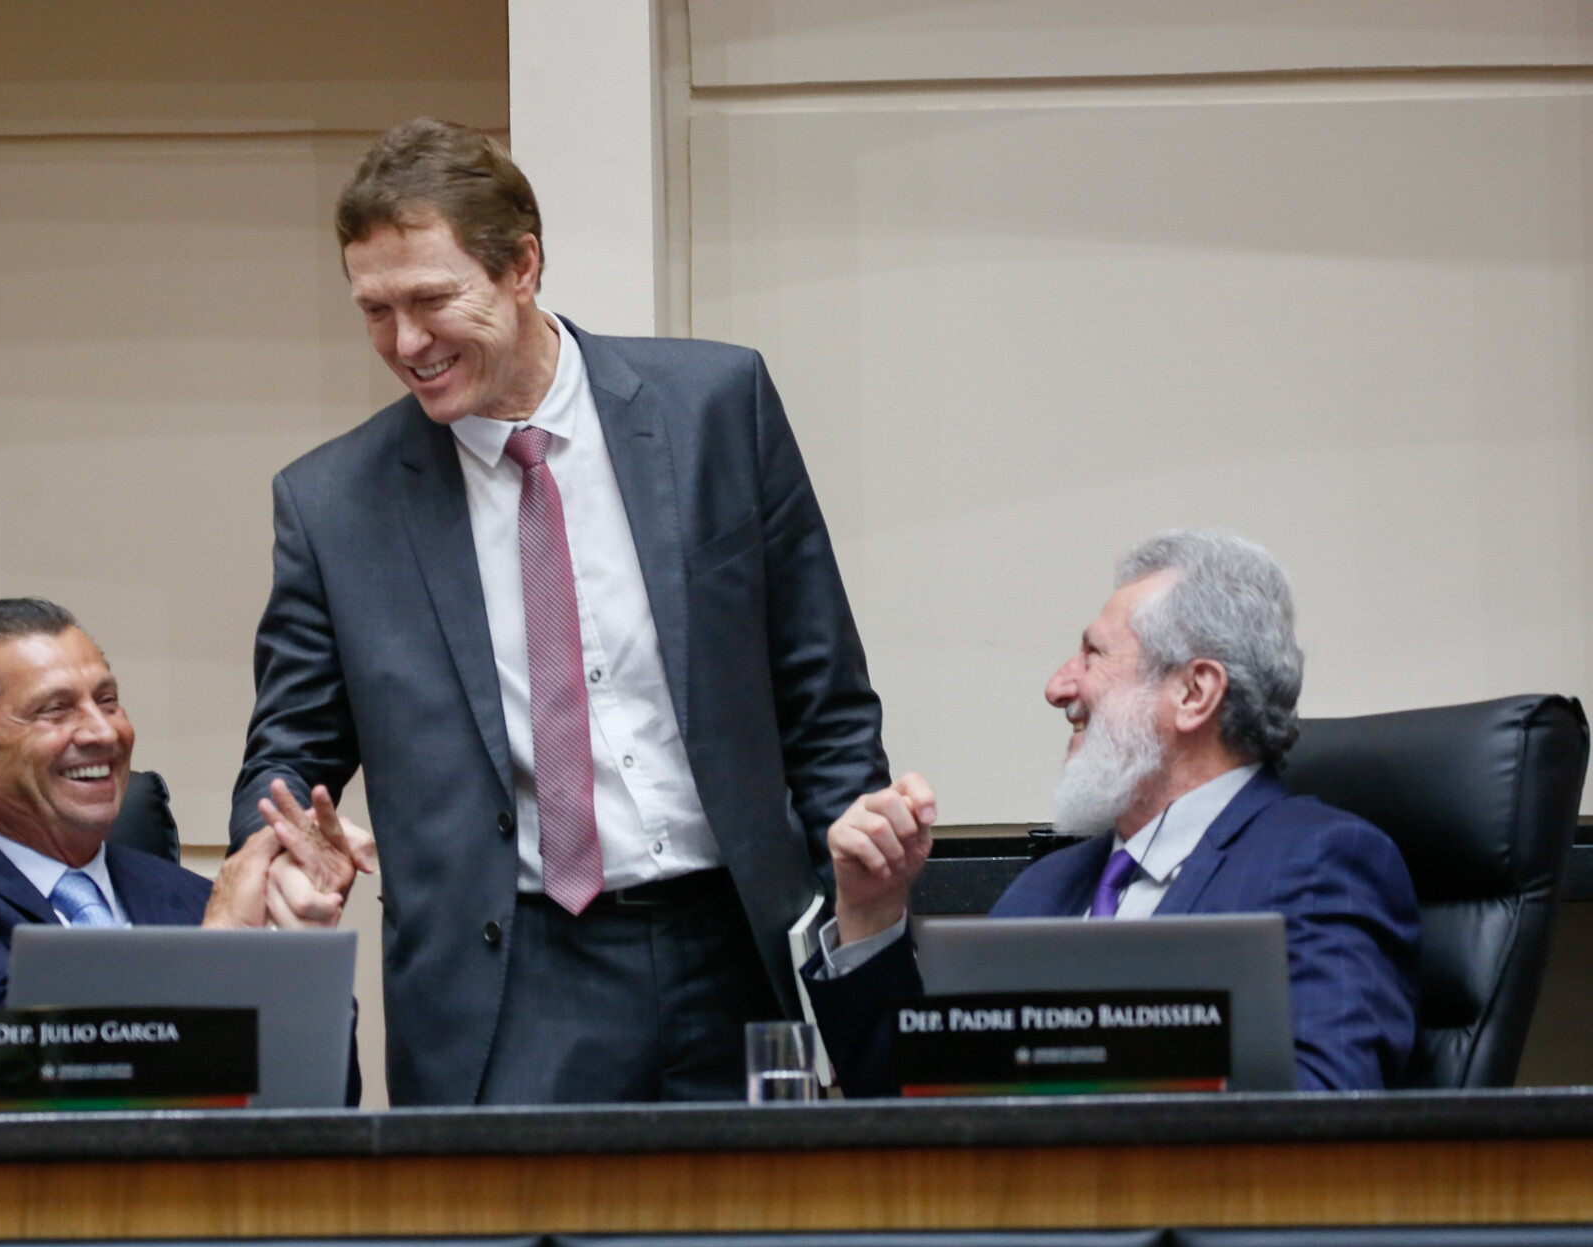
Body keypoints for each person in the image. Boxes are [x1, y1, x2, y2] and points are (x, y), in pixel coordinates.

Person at [230, 119, 886, 1105]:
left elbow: (821, 692)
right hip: (510, 979)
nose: (406, 343)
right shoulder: (334, 505)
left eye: (431, 300)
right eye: (374, 310)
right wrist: (277, 843)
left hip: (736, 945)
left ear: (522, 265)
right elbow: (287, 750)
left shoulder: (715, 407)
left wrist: (856, 924)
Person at [805, 530, 1420, 1094]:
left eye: (1093, 655)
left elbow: (1330, 1113)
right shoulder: (1043, 890)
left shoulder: (1321, 862)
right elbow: (912, 1109)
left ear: (1194, 693)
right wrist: (871, 913)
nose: (1057, 687)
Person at [0, 598, 361, 1111]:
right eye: (55, 711)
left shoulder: (187, 897)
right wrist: (218, 953)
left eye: (108, 701)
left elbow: (323, 1098)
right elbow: (8, 1063)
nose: (104, 732)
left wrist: (296, 958)